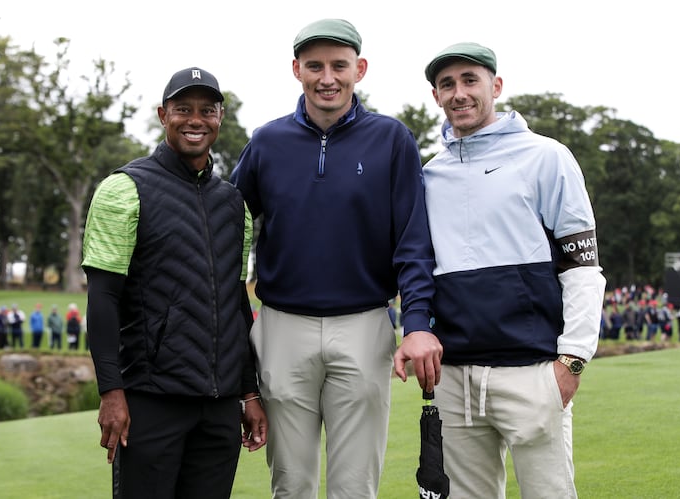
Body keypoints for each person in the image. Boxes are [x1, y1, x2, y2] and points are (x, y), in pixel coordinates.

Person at [231, 19, 440, 498]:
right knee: (291, 483)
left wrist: (420, 323)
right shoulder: (268, 142)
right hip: (283, 327)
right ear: (296, 70)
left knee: (355, 487)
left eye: (339, 66)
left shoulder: (392, 140)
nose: (328, 77)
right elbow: (228, 227)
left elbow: (413, 242)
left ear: (359, 69)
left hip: (364, 325)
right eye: (315, 66)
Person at [420, 42, 607, 498]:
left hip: (534, 371)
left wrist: (572, 362)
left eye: (470, 81)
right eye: (448, 84)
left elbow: (582, 268)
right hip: (455, 379)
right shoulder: (428, 175)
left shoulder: (547, 157)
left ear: (496, 86)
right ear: (436, 96)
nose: (459, 93)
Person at [81, 66, 267, 499]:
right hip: (150, 399)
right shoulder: (124, 189)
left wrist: (249, 392)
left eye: (207, 110)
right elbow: (104, 298)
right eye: (184, 109)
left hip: (220, 407)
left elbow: (235, 303)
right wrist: (111, 392)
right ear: (163, 115)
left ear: (220, 117)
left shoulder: (232, 203)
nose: (195, 120)